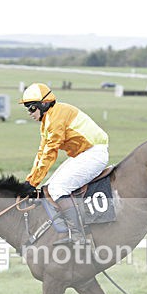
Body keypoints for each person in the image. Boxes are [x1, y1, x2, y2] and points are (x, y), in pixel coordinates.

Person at [19, 82, 109, 245]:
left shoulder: (55, 118)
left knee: (57, 189)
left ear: (44, 104)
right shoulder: (47, 120)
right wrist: (30, 181)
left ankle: (78, 235)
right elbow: (42, 152)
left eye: (32, 108)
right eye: (27, 109)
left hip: (94, 153)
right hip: (83, 153)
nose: (29, 113)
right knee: (48, 187)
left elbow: (50, 153)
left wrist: (32, 183)